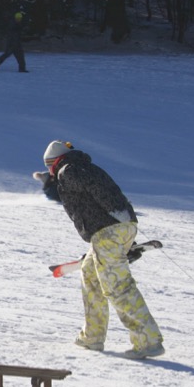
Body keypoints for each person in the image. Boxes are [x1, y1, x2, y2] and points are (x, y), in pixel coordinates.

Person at [44, 140, 164, 358]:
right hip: (116, 228)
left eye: (48, 168)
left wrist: (116, 213)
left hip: (109, 229)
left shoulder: (69, 170)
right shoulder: (79, 167)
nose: (50, 172)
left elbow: (96, 189)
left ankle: (148, 341)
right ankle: (92, 338)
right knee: (90, 275)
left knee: (117, 286)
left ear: (53, 162)